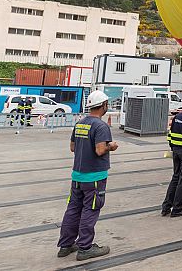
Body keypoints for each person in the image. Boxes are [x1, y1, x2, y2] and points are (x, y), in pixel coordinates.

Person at [57, 90, 118, 261]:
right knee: (90, 210)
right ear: (104, 106)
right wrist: (111, 146)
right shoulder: (101, 126)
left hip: (77, 176)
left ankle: (66, 245)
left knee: (73, 209)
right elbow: (100, 150)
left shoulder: (80, 123)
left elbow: (72, 147)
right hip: (94, 178)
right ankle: (85, 247)